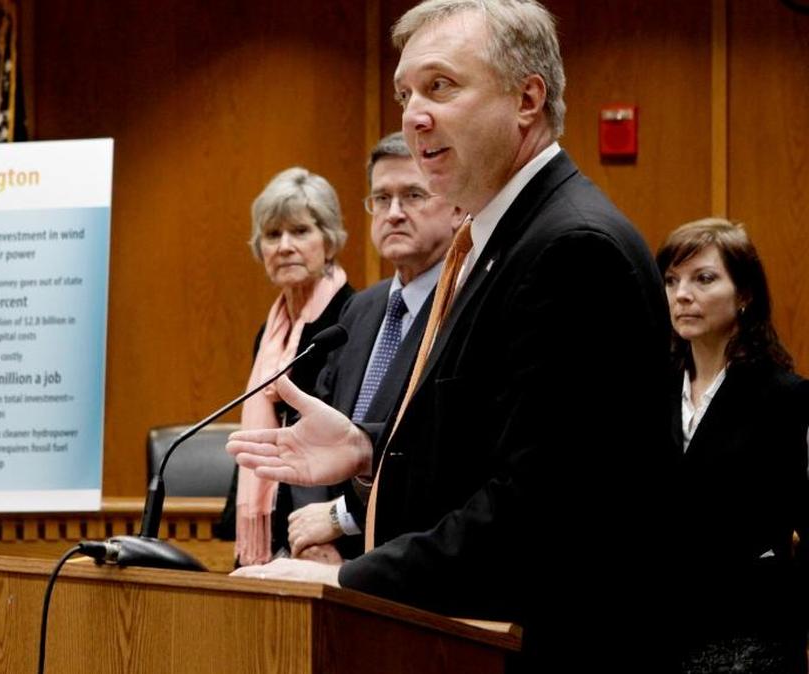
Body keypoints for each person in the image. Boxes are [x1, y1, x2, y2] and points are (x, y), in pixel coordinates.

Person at [227, 1, 678, 670]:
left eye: (440, 86)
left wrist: (347, 579)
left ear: (527, 99)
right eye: (406, 93)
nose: (412, 115)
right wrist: (368, 450)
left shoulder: (570, 249)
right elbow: (495, 445)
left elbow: (542, 508)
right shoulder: (501, 240)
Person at [285, 131, 462, 563]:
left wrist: (341, 518)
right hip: (330, 563)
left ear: (458, 208)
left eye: (413, 195)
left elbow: (445, 461)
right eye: (381, 199)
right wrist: (316, 537)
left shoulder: (466, 305)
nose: (394, 213)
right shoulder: (360, 309)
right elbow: (315, 428)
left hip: (417, 565)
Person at [657, 218, 809, 674]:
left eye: (703, 279)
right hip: (661, 633)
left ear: (744, 296)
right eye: (671, 280)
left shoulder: (787, 398)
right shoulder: (649, 391)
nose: (682, 294)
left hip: (750, 643)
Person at [216, 166, 354, 566]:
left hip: (327, 530)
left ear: (328, 241)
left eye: (300, 231)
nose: (285, 246)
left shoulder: (352, 317)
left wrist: (336, 528)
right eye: (273, 235)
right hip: (274, 519)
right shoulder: (270, 331)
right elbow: (261, 429)